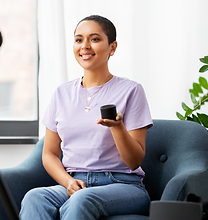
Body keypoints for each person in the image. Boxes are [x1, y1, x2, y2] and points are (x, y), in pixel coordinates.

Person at [19, 15, 153, 219]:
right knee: (34, 197)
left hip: (122, 185)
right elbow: (49, 154)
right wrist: (67, 182)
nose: (85, 46)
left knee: (82, 200)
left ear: (112, 47)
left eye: (95, 39)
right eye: (79, 39)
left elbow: (134, 161)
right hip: (75, 182)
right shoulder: (61, 93)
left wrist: (117, 128)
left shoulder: (131, 90)